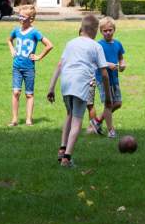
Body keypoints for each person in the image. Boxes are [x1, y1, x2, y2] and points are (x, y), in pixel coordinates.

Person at [47, 14, 112, 167]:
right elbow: (104, 73)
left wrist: (51, 88)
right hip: (81, 84)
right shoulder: (96, 46)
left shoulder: (70, 43)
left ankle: (62, 150)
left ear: (81, 28)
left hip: (66, 83)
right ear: (96, 30)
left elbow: (59, 65)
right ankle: (67, 158)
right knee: (77, 121)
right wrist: (108, 96)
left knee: (69, 115)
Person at [7, 4, 53, 126]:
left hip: (29, 68)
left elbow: (49, 45)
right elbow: (9, 40)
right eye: (19, 16)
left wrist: (39, 56)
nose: (20, 19)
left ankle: (28, 119)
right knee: (16, 92)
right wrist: (12, 49)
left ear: (31, 19)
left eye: (23, 17)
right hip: (17, 66)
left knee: (29, 94)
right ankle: (15, 119)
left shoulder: (35, 32)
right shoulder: (16, 30)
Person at [86, 16, 126, 138]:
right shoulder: (98, 45)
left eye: (110, 30)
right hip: (103, 79)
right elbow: (94, 61)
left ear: (114, 30)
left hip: (114, 78)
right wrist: (107, 65)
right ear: (101, 31)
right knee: (108, 104)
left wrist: (122, 64)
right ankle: (111, 130)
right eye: (105, 31)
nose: (108, 32)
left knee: (118, 103)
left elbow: (120, 57)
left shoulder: (118, 44)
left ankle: (97, 121)